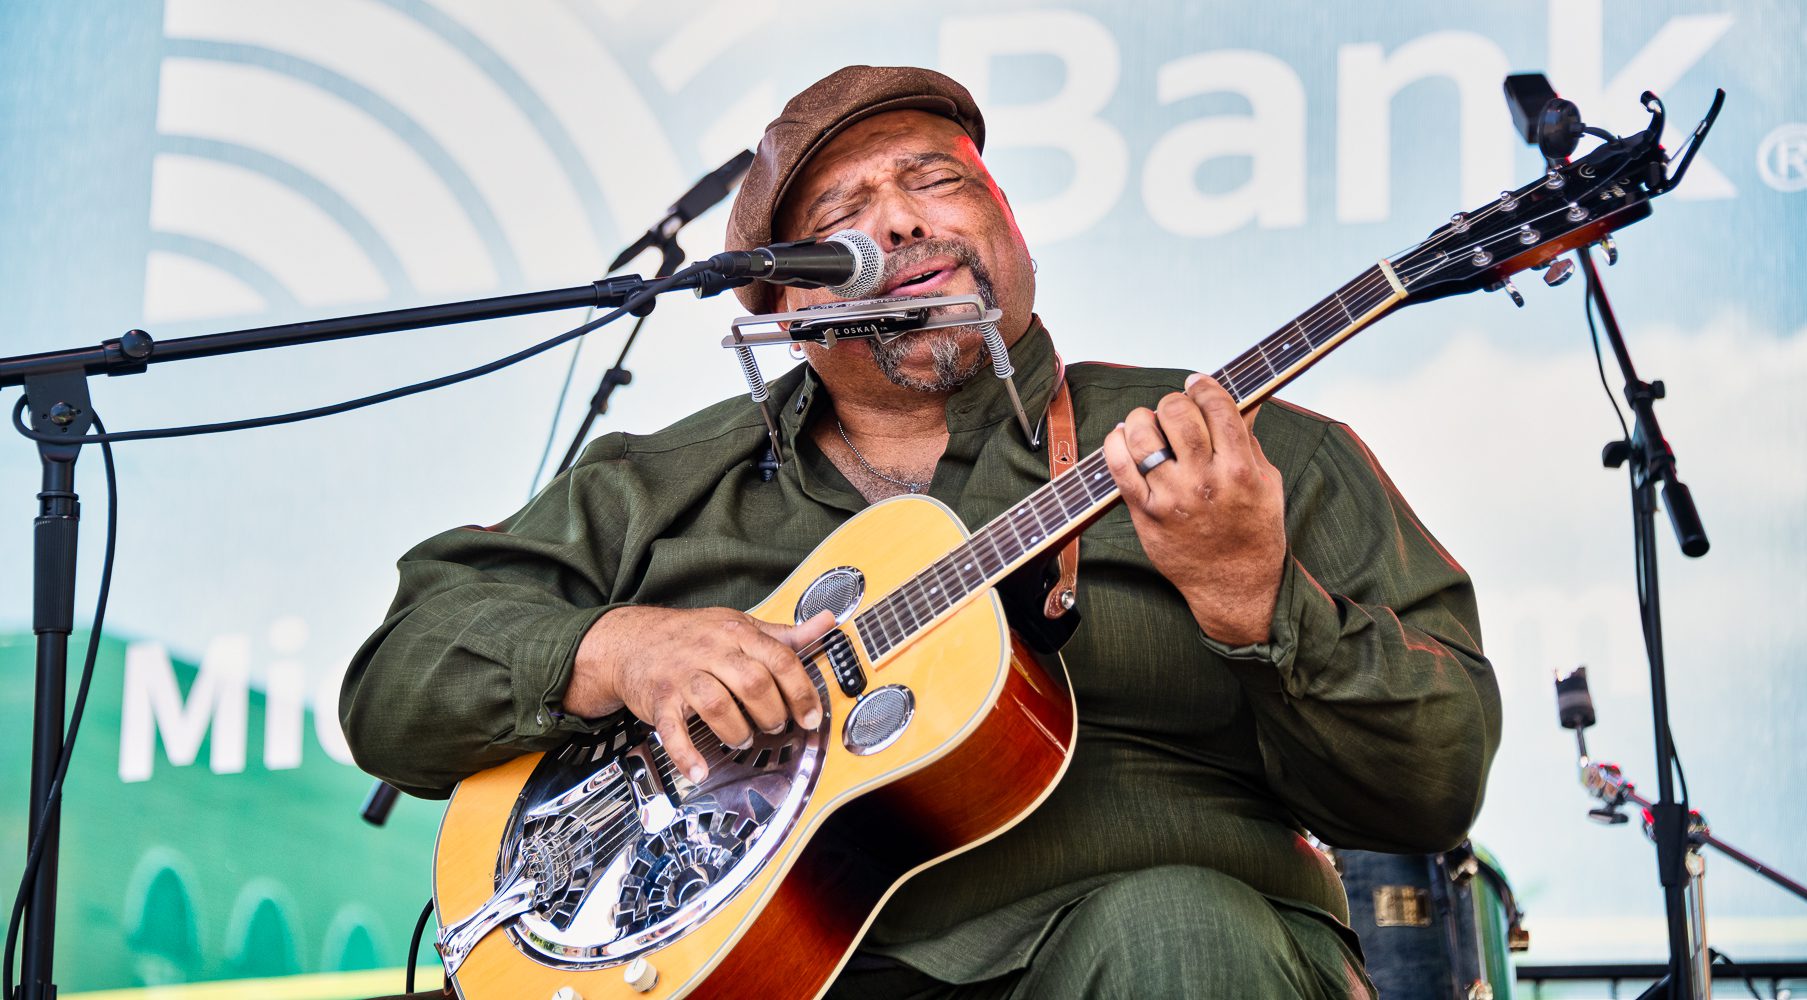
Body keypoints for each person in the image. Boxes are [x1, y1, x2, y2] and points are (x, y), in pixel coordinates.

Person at [341, 65, 1501, 998]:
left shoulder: (1243, 453)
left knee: (1172, 926)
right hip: (760, 965)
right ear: (789, 302)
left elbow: (1429, 783)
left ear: (1007, 228)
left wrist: (1258, 598)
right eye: (841, 215)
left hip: (1155, 954)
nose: (896, 218)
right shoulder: (657, 486)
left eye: (937, 183)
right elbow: (396, 682)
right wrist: (617, 653)